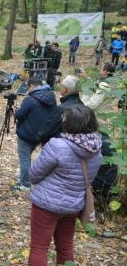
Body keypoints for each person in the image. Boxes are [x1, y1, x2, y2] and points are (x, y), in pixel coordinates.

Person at [28, 104, 102, 266]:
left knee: (39, 247)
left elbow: (33, 175)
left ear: (69, 124)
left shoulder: (57, 145)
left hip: (47, 205)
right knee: (66, 246)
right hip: (73, 206)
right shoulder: (97, 150)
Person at [12, 77, 57, 191]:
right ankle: (30, 179)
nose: (28, 90)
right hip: (43, 134)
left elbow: (20, 115)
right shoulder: (51, 97)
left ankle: (25, 184)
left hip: (27, 134)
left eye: (28, 87)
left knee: (25, 159)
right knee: (37, 158)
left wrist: (16, 110)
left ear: (32, 86)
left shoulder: (30, 99)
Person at [38, 75, 82, 143]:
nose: (60, 88)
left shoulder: (62, 109)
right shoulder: (83, 105)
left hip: (60, 146)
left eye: (61, 86)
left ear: (65, 89)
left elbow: (45, 131)